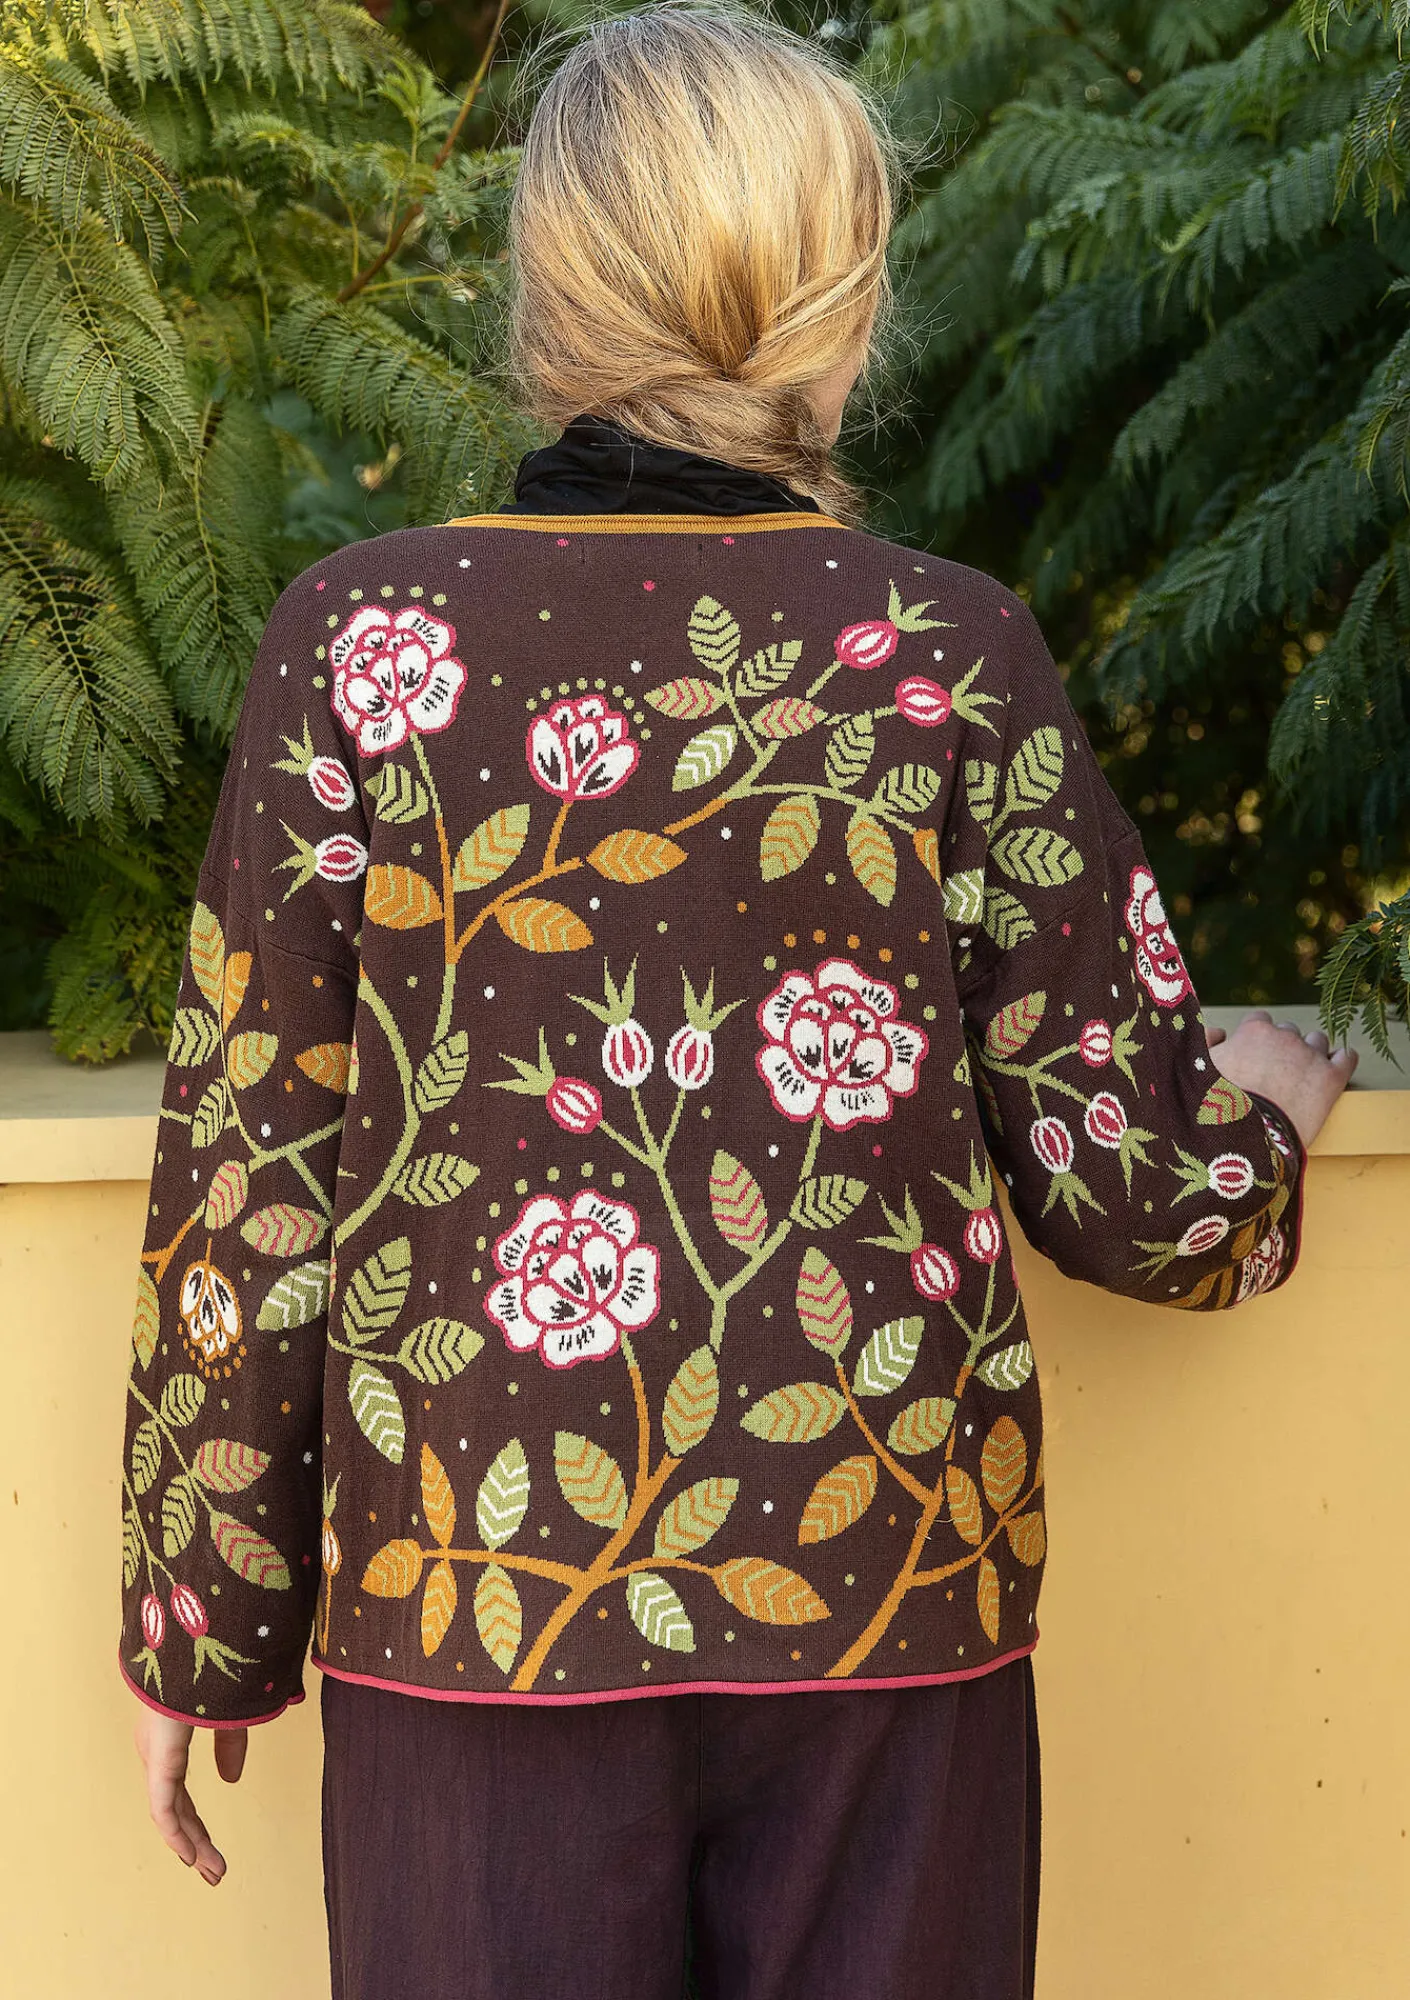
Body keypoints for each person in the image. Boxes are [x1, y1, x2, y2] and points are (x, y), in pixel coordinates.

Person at [121, 8, 1357, 1996]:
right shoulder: (946, 653)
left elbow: (254, 1167)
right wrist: (1274, 1110)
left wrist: (201, 1619)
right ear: (844, 314)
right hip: (893, 1594)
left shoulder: (359, 640)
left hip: (472, 1599)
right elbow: (1139, 1190)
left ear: (543, 300)